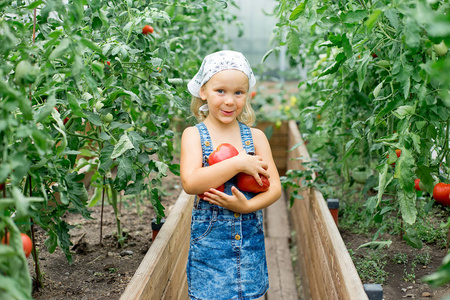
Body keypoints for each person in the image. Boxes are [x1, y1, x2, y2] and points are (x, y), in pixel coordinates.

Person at [180, 50, 282, 300]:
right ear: (203, 91)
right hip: (210, 249)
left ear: (247, 95)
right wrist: (238, 163)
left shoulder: (256, 137)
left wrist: (247, 206)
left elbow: (275, 188)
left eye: (238, 93)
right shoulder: (194, 135)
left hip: (249, 247)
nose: (230, 101)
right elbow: (191, 183)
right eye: (220, 91)